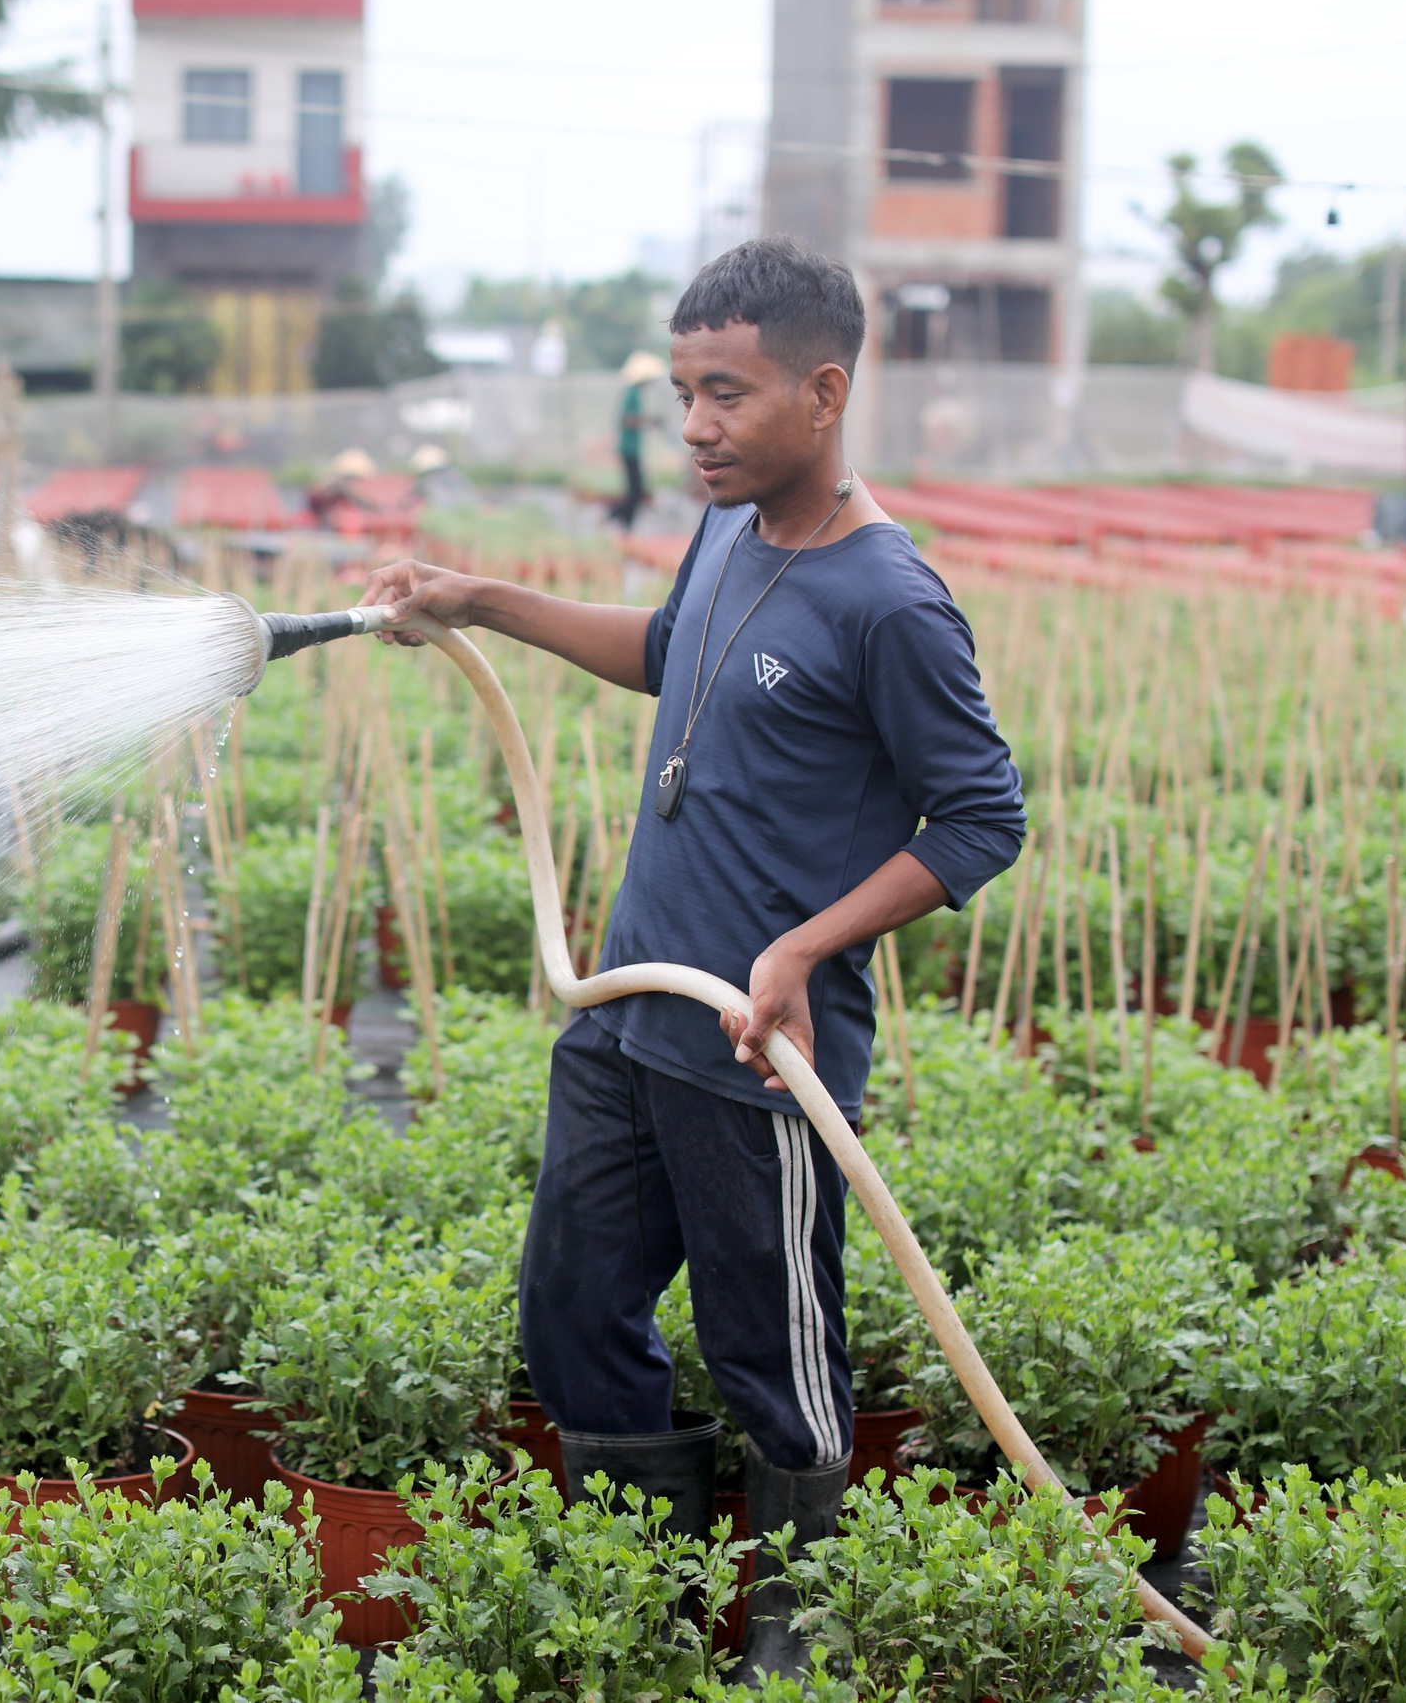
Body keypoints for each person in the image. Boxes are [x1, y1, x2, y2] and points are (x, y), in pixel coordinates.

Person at [358, 236, 1025, 1677]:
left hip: (755, 1049)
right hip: (628, 1007)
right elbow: (671, 646)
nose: (697, 427)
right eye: (684, 393)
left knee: (771, 1348)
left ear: (826, 391)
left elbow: (981, 817)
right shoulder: (728, 524)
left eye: (728, 393)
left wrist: (801, 944)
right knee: (571, 1298)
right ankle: (640, 1589)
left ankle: (791, 1619)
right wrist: (481, 599)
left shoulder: (891, 600)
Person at [611, 348, 664, 530]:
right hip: (629, 448)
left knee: (635, 489)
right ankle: (619, 519)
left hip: (631, 448)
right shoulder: (632, 394)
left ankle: (621, 519)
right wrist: (650, 420)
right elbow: (627, 419)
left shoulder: (635, 394)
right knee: (635, 491)